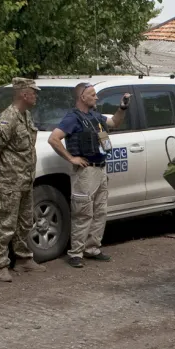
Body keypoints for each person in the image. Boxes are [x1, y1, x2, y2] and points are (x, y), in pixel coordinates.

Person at [47, 82, 131, 268]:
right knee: (83, 213)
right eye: (92, 94)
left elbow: (115, 122)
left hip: (100, 168)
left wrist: (122, 107)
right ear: (82, 97)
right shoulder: (72, 118)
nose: (96, 97)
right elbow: (53, 139)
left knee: (100, 211)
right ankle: (76, 253)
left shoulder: (96, 116)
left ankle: (92, 248)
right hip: (85, 172)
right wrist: (71, 158)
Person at [0, 77, 47, 282]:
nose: (36, 96)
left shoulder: (25, 116)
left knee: (25, 221)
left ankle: (23, 259)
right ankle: (1, 263)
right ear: (24, 94)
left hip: (25, 179)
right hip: (10, 181)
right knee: (6, 223)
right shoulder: (8, 118)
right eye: (34, 92)